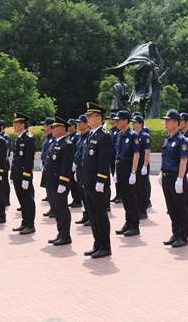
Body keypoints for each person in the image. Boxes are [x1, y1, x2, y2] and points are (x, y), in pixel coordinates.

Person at [81, 102, 114, 259]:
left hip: (97, 183)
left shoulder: (104, 135)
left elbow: (104, 160)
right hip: (88, 181)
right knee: (92, 214)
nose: (88, 118)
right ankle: (97, 243)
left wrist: (101, 180)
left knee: (100, 214)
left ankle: (105, 246)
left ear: (99, 118)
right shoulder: (91, 134)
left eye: (90, 116)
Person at [159, 109, 188, 249]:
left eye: (168, 120)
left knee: (180, 207)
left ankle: (183, 236)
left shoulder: (182, 140)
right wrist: (161, 172)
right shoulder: (167, 138)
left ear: (176, 123)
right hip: (166, 176)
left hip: (176, 177)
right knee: (171, 207)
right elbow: (164, 157)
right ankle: (175, 232)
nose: (165, 123)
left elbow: (183, 161)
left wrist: (180, 179)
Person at [41, 117, 74, 246]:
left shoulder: (67, 144)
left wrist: (63, 182)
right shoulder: (54, 143)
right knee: (55, 209)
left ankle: (66, 235)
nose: (53, 129)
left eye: (56, 127)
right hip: (50, 182)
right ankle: (60, 232)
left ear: (63, 129)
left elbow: (66, 166)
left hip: (59, 183)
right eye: (52, 127)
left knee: (62, 209)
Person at [113, 109, 141, 237]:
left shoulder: (133, 135)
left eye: (119, 120)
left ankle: (134, 225)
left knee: (131, 197)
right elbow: (117, 154)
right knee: (124, 197)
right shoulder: (119, 135)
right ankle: (128, 222)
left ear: (125, 121)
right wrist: (115, 171)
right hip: (120, 166)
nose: (116, 122)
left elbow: (136, 154)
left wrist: (133, 172)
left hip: (128, 167)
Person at [10, 112, 36, 235]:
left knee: (27, 200)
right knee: (22, 200)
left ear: (22, 124)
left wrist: (26, 177)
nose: (14, 125)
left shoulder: (28, 138)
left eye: (16, 123)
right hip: (17, 175)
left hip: (24, 176)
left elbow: (28, 159)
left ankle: (30, 224)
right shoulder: (19, 138)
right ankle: (24, 222)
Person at [131, 113, 151, 219]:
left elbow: (147, 152)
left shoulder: (144, 136)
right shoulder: (133, 135)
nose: (133, 124)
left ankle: (143, 210)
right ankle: (137, 208)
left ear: (140, 124)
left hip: (142, 163)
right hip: (135, 164)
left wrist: (144, 166)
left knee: (142, 188)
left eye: (135, 122)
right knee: (135, 188)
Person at [74, 114, 91, 226]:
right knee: (82, 193)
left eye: (81, 122)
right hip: (79, 168)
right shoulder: (79, 137)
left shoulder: (89, 136)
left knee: (87, 195)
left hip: (86, 169)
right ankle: (86, 214)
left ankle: (91, 216)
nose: (78, 124)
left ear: (86, 124)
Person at [40, 117, 55, 218]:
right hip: (46, 165)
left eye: (45, 125)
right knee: (48, 189)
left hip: (52, 167)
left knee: (52, 188)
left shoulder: (54, 138)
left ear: (49, 126)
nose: (43, 127)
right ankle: (52, 208)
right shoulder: (47, 137)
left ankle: (55, 209)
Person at [66, 119, 82, 208]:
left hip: (75, 162)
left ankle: (78, 199)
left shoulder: (77, 136)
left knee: (76, 183)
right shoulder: (69, 136)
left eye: (69, 125)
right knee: (72, 182)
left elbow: (77, 150)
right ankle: (74, 198)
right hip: (70, 163)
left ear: (73, 126)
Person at [107, 113, 121, 204]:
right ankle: (117, 194)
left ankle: (121, 195)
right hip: (111, 156)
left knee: (118, 176)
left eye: (110, 119)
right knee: (114, 176)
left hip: (116, 156)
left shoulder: (118, 131)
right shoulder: (111, 131)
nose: (109, 120)